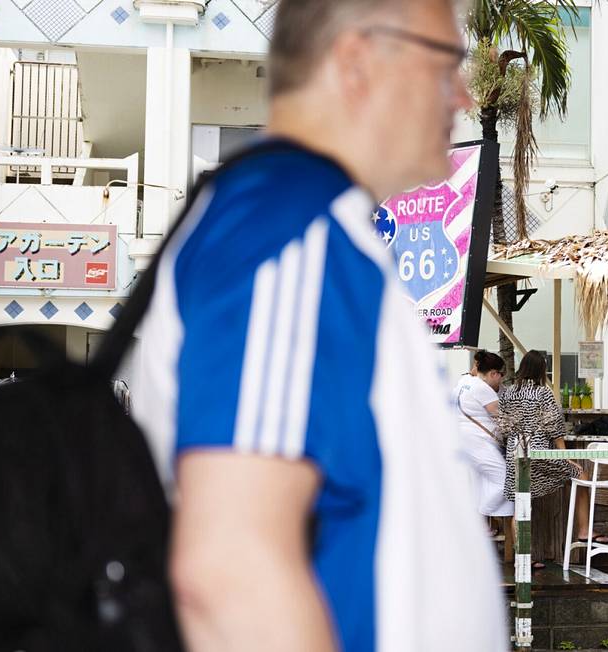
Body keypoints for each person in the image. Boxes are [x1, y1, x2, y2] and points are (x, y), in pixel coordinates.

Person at [133, 1, 507, 650]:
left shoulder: (307, 224)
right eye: (447, 62)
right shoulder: (288, 226)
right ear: (358, 59)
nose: (464, 95)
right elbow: (230, 570)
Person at [499, 350, 608, 568]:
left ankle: (523, 558)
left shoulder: (508, 393)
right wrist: (565, 457)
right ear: (541, 369)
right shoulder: (543, 393)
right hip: (540, 453)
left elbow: (503, 428)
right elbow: (555, 429)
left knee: (520, 503)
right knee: (580, 474)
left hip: (516, 453)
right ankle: (584, 529)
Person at [453, 350, 514, 538]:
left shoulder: (463, 383)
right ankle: (477, 519)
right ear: (493, 373)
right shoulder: (482, 388)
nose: (501, 381)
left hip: (463, 441)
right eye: (500, 375)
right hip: (478, 442)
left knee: (478, 487)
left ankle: (480, 524)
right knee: (506, 480)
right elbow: (502, 418)